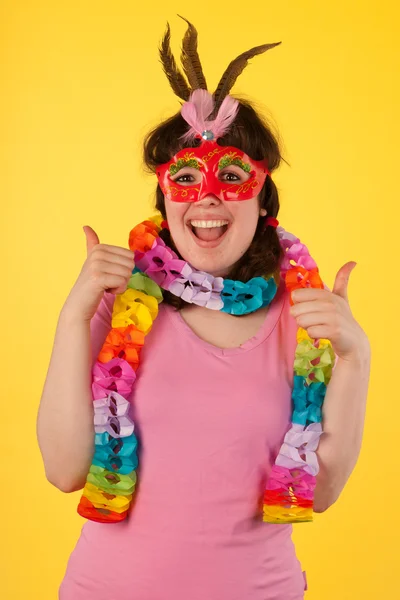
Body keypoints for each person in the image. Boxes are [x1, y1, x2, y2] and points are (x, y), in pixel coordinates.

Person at [36, 17, 338, 600]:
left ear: (262, 196)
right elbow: (64, 471)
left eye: (231, 176)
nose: (206, 199)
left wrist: (357, 355)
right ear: (164, 194)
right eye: (186, 179)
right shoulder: (118, 308)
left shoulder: (307, 318)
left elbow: (318, 493)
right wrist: (73, 318)